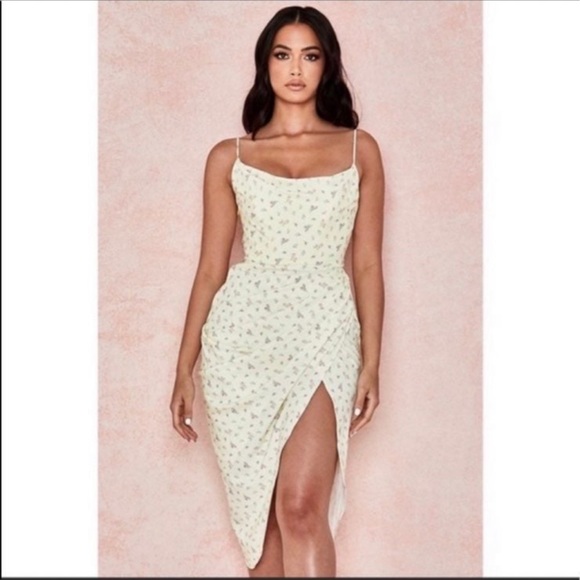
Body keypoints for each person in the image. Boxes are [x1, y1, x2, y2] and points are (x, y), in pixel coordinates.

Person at [169, 5, 384, 577]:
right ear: (265, 65)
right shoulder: (230, 157)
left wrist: (371, 361)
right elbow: (210, 270)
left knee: (300, 506)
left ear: (326, 65)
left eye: (309, 56)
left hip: (324, 328)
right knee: (261, 528)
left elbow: (367, 264)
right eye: (282, 55)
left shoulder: (359, 150)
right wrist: (184, 367)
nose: (295, 69)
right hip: (242, 341)